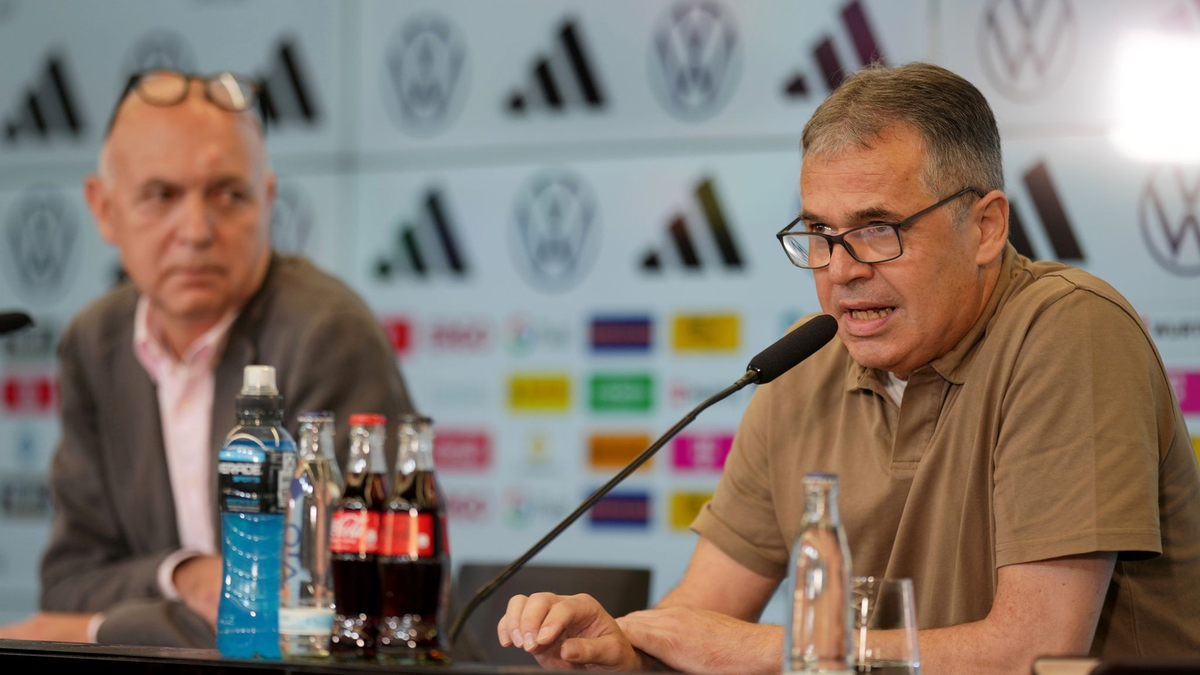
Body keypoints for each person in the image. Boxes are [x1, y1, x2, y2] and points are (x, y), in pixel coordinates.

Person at [496, 62, 1200, 673]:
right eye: (820, 234)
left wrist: (768, 651)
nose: (840, 270)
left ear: (985, 226)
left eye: (875, 230)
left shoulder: (1070, 329)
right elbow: (702, 618)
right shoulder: (807, 358)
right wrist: (622, 647)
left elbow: (1033, 653)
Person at [0, 70, 414, 647]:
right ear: (103, 208)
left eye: (229, 195)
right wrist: (186, 573)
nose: (195, 230)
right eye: (161, 195)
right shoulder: (94, 343)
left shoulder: (325, 333)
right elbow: (71, 582)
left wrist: (108, 628)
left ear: (267, 201)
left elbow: (342, 602)